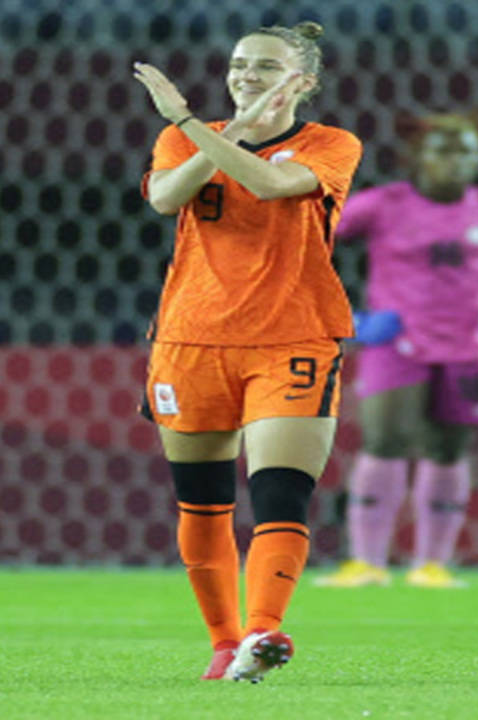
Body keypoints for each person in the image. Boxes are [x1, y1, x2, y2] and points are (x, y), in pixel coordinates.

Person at [132, 21, 362, 682]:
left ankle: (263, 633)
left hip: (293, 336)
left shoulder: (330, 144)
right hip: (189, 339)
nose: (246, 77)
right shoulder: (182, 137)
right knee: (202, 503)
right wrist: (211, 126)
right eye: (240, 65)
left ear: (304, 83)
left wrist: (196, 122)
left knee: (279, 494)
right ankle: (224, 642)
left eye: (266, 67)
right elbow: (165, 197)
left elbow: (269, 185)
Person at [314, 112, 478, 589]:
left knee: (449, 449)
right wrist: (350, 317)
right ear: (418, 157)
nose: (456, 161)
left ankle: (432, 564)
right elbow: (309, 243)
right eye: (444, 150)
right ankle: (367, 562)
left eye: (466, 151)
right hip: (397, 341)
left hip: (469, 345)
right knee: (384, 441)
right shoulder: (382, 205)